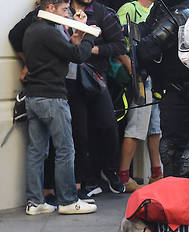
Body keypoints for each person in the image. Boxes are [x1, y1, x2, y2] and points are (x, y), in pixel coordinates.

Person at [23, 0, 98, 215]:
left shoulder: (33, 29)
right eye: (65, 9)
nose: (68, 13)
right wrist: (90, 34)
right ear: (50, 8)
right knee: (65, 149)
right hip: (52, 98)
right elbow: (76, 55)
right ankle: (67, 201)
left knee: (36, 151)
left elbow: (66, 50)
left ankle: (35, 203)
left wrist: (77, 36)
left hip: (34, 97)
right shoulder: (48, 31)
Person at [68, 0, 127, 195]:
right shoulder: (61, 10)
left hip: (97, 80)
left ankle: (110, 172)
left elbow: (119, 46)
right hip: (70, 82)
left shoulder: (103, 13)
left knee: (109, 125)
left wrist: (89, 48)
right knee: (80, 133)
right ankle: (87, 181)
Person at [136, 0, 189, 178]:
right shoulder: (161, 7)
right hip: (173, 89)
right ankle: (175, 197)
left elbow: (146, 49)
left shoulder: (183, 11)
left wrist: (143, 37)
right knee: (171, 149)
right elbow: (144, 36)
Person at [116, 0, 163, 191]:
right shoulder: (129, 9)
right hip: (141, 76)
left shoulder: (157, 9)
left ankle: (156, 174)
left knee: (155, 128)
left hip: (156, 76)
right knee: (137, 127)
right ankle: (124, 178)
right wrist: (129, 65)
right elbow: (118, 41)